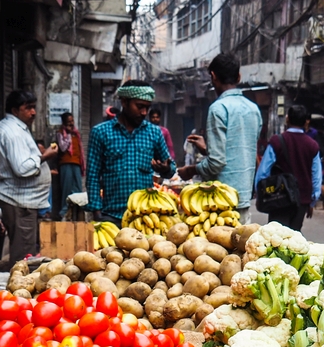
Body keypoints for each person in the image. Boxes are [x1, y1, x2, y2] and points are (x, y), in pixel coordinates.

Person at [176, 53, 263, 224]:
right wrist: (207, 149)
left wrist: (191, 170)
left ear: (213, 77)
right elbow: (239, 149)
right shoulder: (253, 109)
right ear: (239, 76)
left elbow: (217, 163)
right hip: (243, 197)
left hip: (220, 201)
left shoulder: (218, 108)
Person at [85, 80, 175, 225]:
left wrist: (166, 169)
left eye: (147, 107)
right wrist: (97, 213)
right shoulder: (100, 132)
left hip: (145, 216)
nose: (144, 112)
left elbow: (171, 168)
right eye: (139, 107)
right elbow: (92, 175)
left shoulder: (154, 133)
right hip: (111, 216)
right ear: (124, 102)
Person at [0, 89, 58, 263]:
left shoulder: (18, 128)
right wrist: (45, 156)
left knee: (25, 249)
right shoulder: (12, 132)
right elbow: (22, 168)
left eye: (34, 107)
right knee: (23, 255)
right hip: (19, 202)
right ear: (15, 111)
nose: (34, 112)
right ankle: (19, 288)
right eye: (28, 108)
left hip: (23, 201)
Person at [253, 103, 322, 231]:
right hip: (302, 199)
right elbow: (316, 177)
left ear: (287, 119)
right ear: (305, 122)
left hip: (278, 197)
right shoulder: (312, 145)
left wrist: (260, 194)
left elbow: (263, 172)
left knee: (276, 238)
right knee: (294, 239)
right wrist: (312, 201)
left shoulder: (276, 141)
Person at [54, 112, 85, 221]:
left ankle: (77, 213)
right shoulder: (60, 133)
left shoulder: (76, 133)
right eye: (69, 122)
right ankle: (64, 213)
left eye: (72, 121)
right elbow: (62, 148)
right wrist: (67, 135)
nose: (71, 123)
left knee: (77, 189)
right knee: (66, 189)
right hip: (65, 164)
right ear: (64, 123)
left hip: (76, 163)